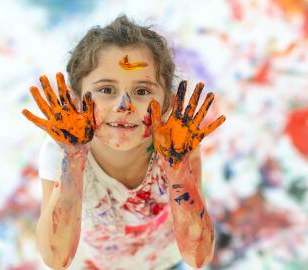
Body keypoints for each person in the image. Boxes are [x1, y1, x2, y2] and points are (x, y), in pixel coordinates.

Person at [22, 15, 226, 270]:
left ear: (167, 103)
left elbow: (198, 257)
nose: (124, 106)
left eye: (142, 91)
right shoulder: (60, 150)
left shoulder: (177, 146)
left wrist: (176, 165)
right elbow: (56, 258)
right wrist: (74, 155)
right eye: (106, 90)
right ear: (75, 101)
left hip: (162, 260)